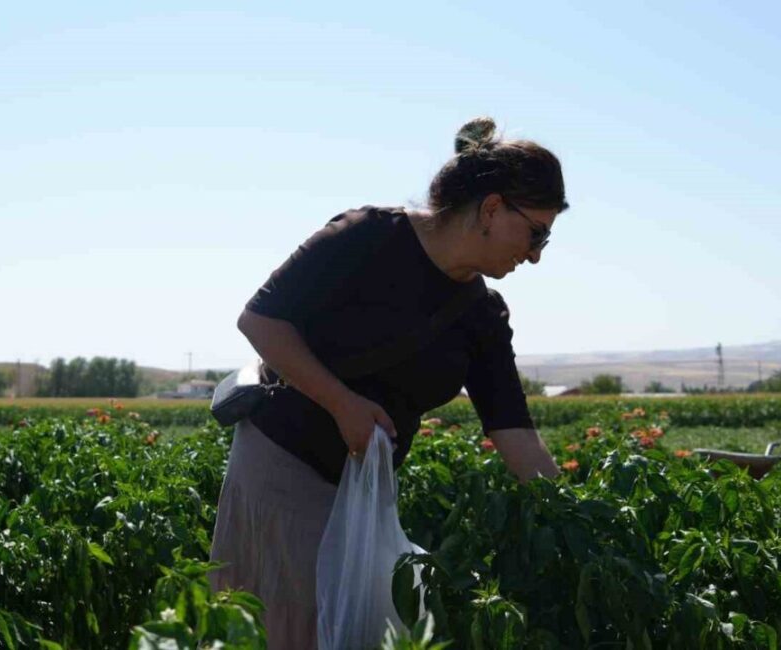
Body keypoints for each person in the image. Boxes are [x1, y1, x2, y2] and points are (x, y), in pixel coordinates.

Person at [209, 117, 568, 648]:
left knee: (352, 629)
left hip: (365, 491)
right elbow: (260, 321)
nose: (536, 253)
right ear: (492, 209)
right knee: (291, 625)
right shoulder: (368, 237)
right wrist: (342, 403)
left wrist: (576, 518)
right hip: (283, 465)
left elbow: (513, 430)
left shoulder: (482, 316)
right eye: (536, 232)